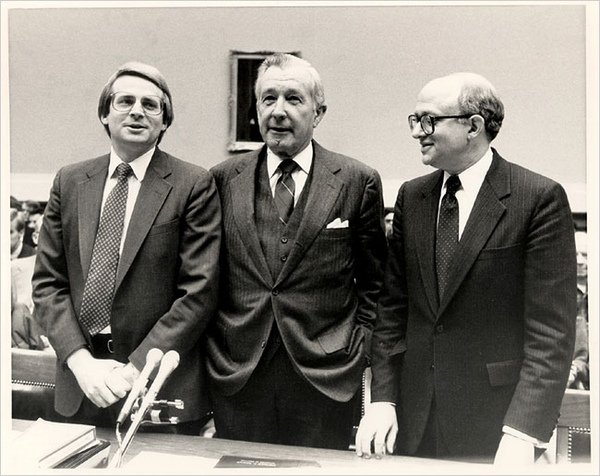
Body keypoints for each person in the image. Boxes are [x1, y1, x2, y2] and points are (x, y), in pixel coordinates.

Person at [355, 72, 577, 463]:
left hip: (497, 429)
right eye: (414, 120)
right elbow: (392, 310)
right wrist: (382, 400)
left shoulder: (538, 199)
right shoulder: (413, 196)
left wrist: (525, 430)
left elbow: (551, 333)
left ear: (473, 125)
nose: (417, 132)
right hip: (412, 423)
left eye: (429, 120)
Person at [207, 53, 386, 450]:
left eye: (293, 99)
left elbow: (376, 284)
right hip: (239, 375)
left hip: (325, 378)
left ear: (318, 112)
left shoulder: (357, 181)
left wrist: (359, 349)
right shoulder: (221, 180)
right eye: (268, 99)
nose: (279, 111)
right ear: (256, 109)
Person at [32, 62, 221, 433]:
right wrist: (80, 361)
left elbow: (198, 293)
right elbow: (47, 284)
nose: (137, 111)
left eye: (151, 105)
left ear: (165, 121)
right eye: (125, 101)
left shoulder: (193, 184)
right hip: (80, 384)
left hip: (157, 391)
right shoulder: (70, 181)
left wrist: (137, 369)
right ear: (105, 113)